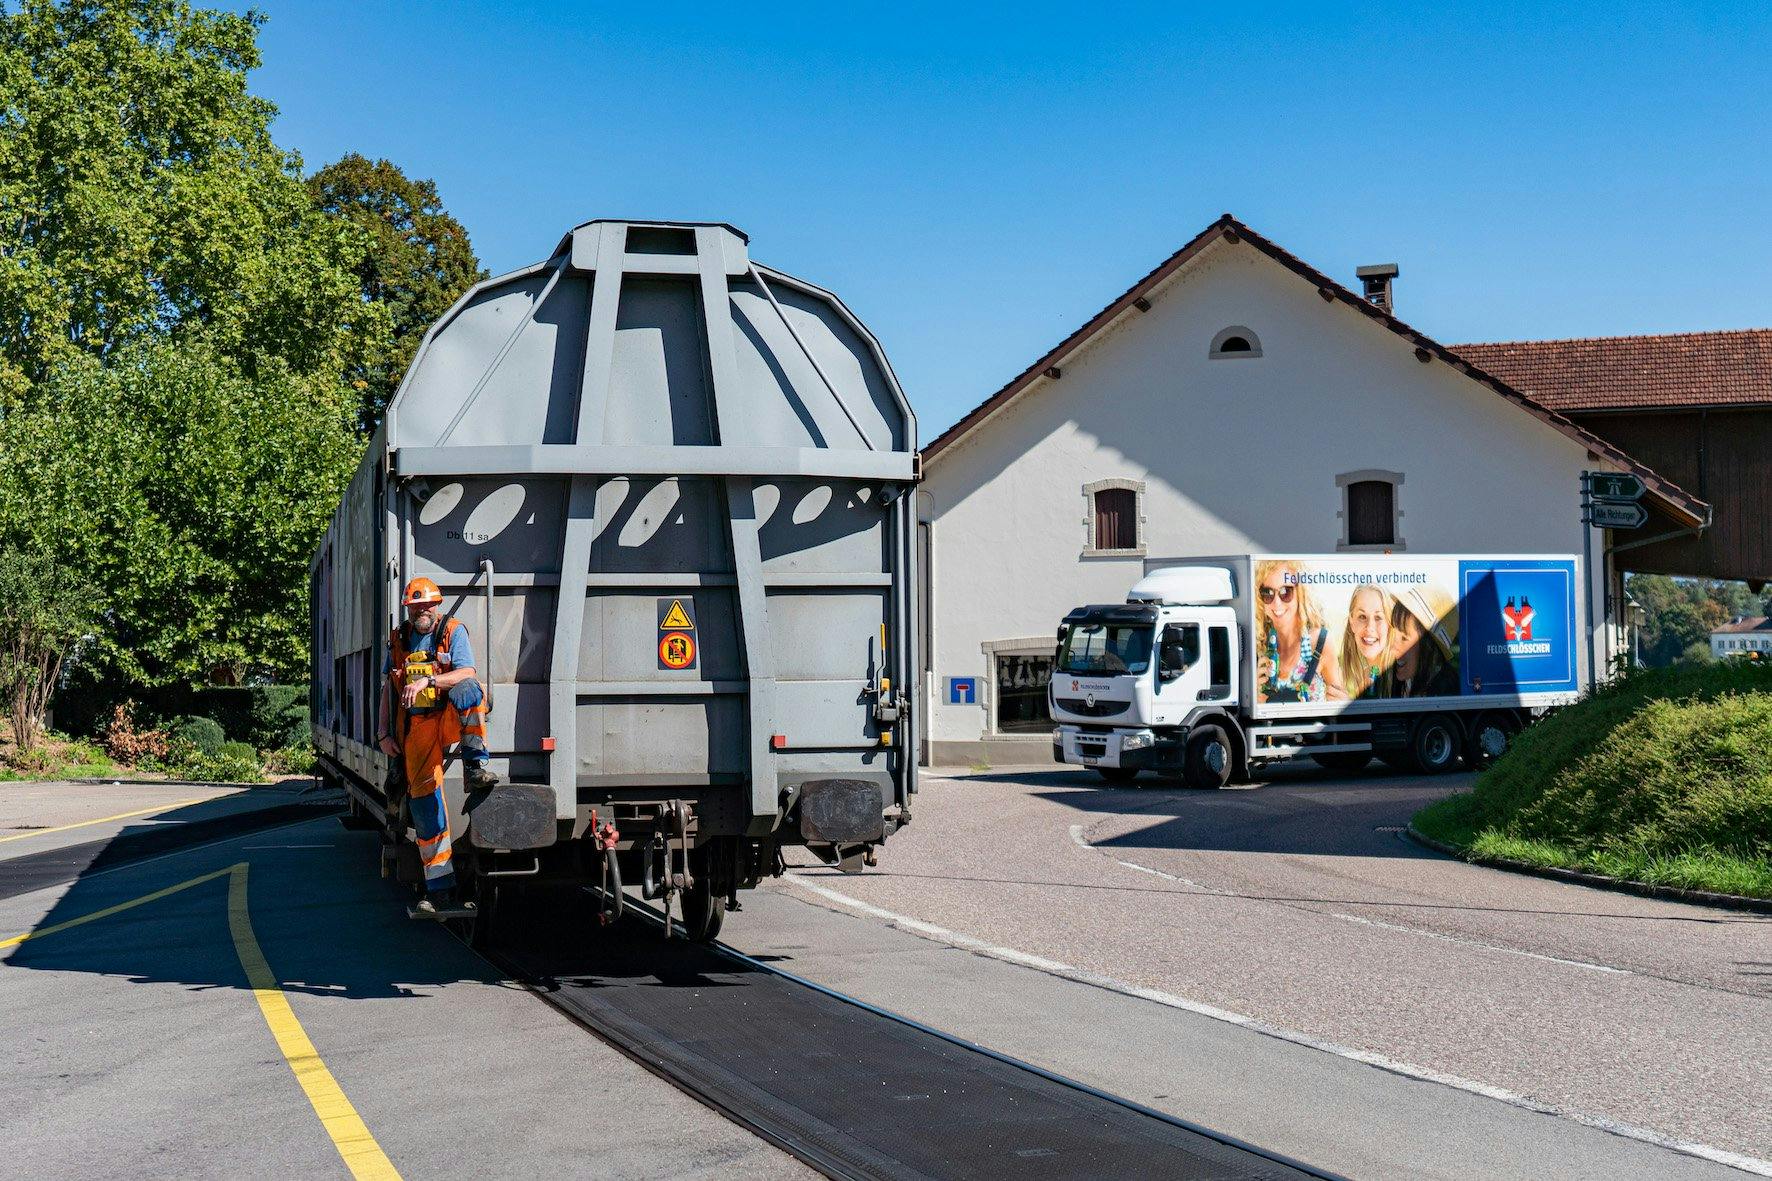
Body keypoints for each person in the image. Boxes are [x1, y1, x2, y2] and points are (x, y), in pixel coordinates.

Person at [377, 576, 499, 916]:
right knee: (425, 805)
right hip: (416, 728)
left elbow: (467, 672)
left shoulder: (452, 631)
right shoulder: (399, 639)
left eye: (427, 605)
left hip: (446, 717)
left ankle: (475, 766)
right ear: (408, 609)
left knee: (471, 689)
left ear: (437, 605)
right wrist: (383, 734)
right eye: (416, 607)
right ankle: (439, 889)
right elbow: (388, 688)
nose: (422, 611)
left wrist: (429, 680)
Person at [1255, 559, 1345, 702]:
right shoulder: (1257, 648)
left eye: (1285, 592)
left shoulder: (1320, 643)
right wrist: (1254, 694)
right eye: (1268, 593)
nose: (1276, 603)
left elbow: (1340, 702)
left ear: (1300, 593)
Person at [1389, 586, 1460, 698]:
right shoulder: (1413, 684)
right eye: (1393, 635)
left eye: (1404, 638)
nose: (1392, 648)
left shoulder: (1444, 696)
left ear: (1430, 648)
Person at [1337, 584, 1395, 700]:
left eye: (1378, 617)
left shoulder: (1401, 675)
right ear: (1352, 622)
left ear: (1389, 625)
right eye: (1362, 617)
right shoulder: (1365, 677)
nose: (1369, 627)